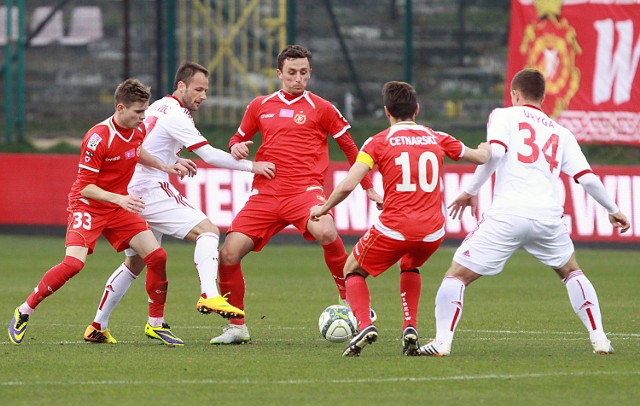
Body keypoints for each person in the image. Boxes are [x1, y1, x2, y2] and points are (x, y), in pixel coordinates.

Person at [419, 68, 631, 357]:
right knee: (571, 271)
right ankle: (600, 339)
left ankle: (442, 342)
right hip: (548, 217)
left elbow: (493, 155)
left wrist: (471, 190)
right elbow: (587, 177)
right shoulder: (561, 132)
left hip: (508, 212)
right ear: (543, 97)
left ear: (514, 94)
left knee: (456, 276)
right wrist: (613, 209)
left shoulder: (503, 115)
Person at [82, 62, 277, 345]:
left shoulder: (158, 106)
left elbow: (146, 145)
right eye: (199, 89)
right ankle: (209, 294)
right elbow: (208, 155)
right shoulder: (177, 114)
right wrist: (252, 167)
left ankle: (99, 324)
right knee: (208, 231)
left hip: (133, 187)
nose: (204, 96)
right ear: (181, 86)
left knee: (135, 263)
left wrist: (172, 161)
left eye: (206, 90)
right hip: (149, 189)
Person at [211, 44, 382, 345]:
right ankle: (235, 325)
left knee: (327, 230)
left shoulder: (323, 108)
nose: (298, 78)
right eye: (291, 73)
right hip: (265, 194)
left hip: (305, 192)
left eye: (303, 72)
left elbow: (353, 150)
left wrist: (367, 186)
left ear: (310, 73)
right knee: (227, 253)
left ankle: (350, 302)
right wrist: (235, 146)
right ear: (279, 74)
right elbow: (238, 138)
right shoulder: (260, 105)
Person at [310, 81, 490, 357]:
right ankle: (410, 327)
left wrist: (324, 208)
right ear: (416, 109)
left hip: (395, 226)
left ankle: (365, 325)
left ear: (387, 112)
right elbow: (479, 157)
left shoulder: (378, 141)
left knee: (352, 270)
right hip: (432, 232)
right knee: (409, 265)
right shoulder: (437, 137)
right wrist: (487, 147)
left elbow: (348, 184)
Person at [8, 79, 189, 345]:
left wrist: (167, 165)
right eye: (138, 112)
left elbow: (138, 152)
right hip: (89, 206)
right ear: (120, 107)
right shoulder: (98, 137)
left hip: (118, 206)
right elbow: (85, 188)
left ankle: (155, 324)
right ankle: (25, 310)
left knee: (157, 256)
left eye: (145, 111)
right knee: (73, 264)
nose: (143, 117)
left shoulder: (137, 130)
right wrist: (120, 199)